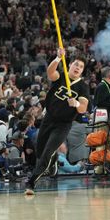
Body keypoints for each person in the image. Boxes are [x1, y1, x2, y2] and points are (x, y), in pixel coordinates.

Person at [24, 48, 89, 195]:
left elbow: (83, 108)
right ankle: (53, 161)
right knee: (40, 151)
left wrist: (77, 104)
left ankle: (31, 182)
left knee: (47, 152)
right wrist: (58, 58)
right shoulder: (61, 76)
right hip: (48, 119)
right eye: (76, 64)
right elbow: (50, 72)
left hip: (63, 124)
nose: (78, 68)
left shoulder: (82, 87)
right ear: (70, 65)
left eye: (81, 67)